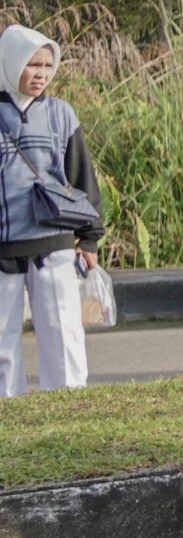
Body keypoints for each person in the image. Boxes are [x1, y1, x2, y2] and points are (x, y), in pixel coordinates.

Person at [0, 25, 103, 396]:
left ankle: (68, 400)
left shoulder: (62, 114)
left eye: (47, 66)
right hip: (4, 246)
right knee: (1, 335)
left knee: (62, 329)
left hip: (54, 240)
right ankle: (7, 403)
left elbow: (81, 176)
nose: (41, 74)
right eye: (32, 65)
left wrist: (89, 239)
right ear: (10, 63)